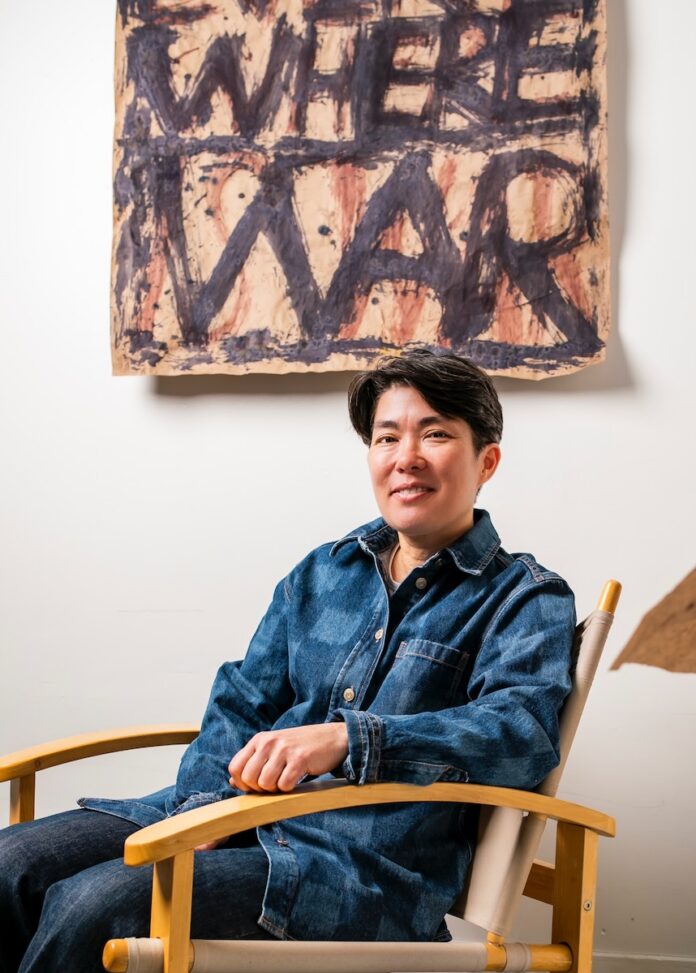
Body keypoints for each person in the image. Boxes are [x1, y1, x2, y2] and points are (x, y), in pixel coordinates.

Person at [0, 350, 575, 972]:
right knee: (10, 866)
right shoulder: (324, 571)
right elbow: (243, 699)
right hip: (229, 813)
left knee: (96, 903)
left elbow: (522, 732)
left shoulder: (525, 596)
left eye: (435, 434)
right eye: (387, 437)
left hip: (353, 871)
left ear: (486, 460)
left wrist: (347, 740)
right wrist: (202, 812)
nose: (406, 457)